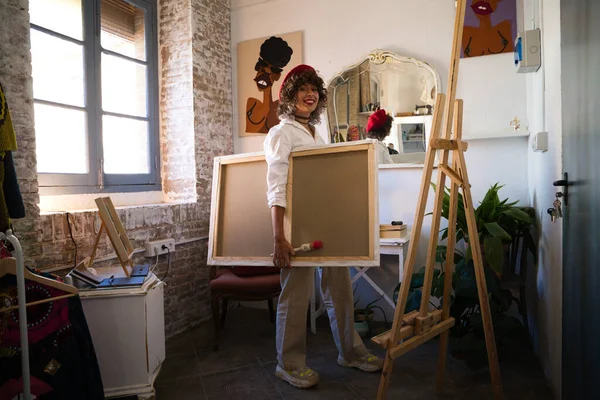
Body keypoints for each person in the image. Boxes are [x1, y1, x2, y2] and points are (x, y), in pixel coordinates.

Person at [264, 64, 384, 389]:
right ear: (289, 97)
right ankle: (287, 364)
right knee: (296, 295)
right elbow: (276, 186)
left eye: (314, 89)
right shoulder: (281, 133)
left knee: (341, 290)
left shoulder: (316, 135)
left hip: (327, 226)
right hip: (297, 229)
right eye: (302, 89)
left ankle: (351, 352)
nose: (310, 94)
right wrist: (279, 237)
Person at [246, 36, 294, 133]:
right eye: (262, 66)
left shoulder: (280, 106)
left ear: (277, 76)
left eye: (273, 70)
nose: (266, 73)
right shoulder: (252, 103)